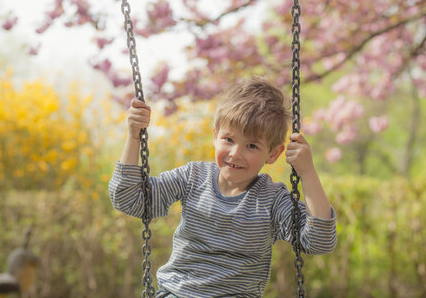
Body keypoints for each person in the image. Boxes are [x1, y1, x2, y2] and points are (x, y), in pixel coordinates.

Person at [109, 78, 337, 298]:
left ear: (273, 154)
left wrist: (307, 172)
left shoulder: (271, 200)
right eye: (229, 139)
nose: (235, 153)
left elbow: (319, 242)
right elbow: (128, 199)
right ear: (215, 136)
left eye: (251, 145)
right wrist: (133, 137)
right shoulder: (192, 177)